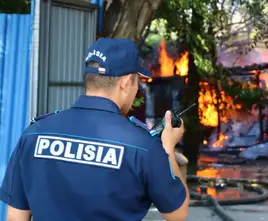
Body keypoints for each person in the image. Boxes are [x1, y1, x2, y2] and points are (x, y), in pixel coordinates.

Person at [0, 38, 189, 221]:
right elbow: (177, 213)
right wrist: (167, 148)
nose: (136, 90)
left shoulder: (34, 134)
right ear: (125, 82)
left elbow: (16, 216)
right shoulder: (142, 145)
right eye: (136, 82)